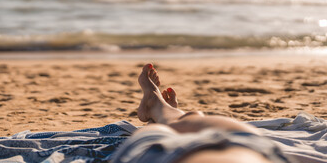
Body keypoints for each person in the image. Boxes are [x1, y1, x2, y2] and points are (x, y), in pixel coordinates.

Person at [111, 63, 293, 163]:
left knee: (166, 128)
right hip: (254, 150)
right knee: (193, 116)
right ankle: (161, 110)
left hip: (159, 156)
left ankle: (157, 110)